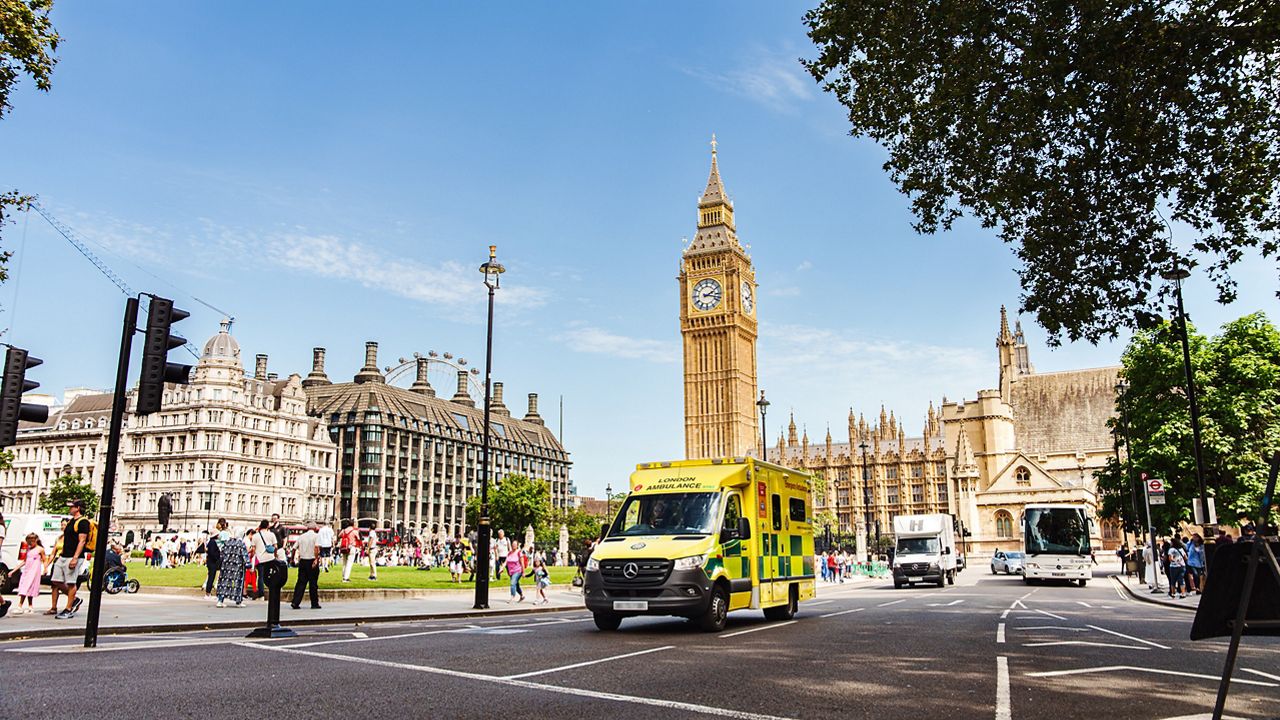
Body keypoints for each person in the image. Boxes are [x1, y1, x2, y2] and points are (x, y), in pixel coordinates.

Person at [52, 500, 91, 619]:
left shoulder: (83, 522)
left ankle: (68, 609)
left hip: (73, 556)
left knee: (71, 582)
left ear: (78, 508)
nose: (70, 509)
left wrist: (75, 558)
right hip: (64, 555)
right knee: (56, 580)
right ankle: (74, 599)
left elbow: (82, 541)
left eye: (72, 507)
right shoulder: (70, 521)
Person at [290, 521, 322, 610]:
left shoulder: (301, 536)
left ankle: (295, 602)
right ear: (315, 528)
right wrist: (316, 559)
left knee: (301, 582)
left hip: (303, 560)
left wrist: (292, 559)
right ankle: (314, 603)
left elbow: (294, 548)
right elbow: (316, 547)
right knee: (313, 583)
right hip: (311, 560)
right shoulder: (316, 536)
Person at [13, 533, 45, 615]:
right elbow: (24, 561)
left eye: (32, 541)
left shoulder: (40, 549)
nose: (30, 543)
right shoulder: (28, 549)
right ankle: (29, 606)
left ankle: (20, 606)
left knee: (28, 588)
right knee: (25, 587)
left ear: (36, 540)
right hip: (27, 571)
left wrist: (45, 569)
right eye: (29, 542)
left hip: (34, 572)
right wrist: (14, 570)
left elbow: (44, 560)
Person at [216, 529, 249, 608]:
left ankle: (220, 601)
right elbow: (244, 555)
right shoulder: (241, 544)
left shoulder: (227, 542)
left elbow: (222, 554)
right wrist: (248, 564)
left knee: (224, 583)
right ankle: (238, 602)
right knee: (238, 584)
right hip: (238, 566)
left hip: (226, 566)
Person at [204, 520, 226, 598]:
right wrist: (218, 557)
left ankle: (208, 592)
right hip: (212, 562)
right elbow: (212, 553)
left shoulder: (211, 542)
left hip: (211, 562)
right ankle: (207, 593)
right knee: (211, 578)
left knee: (211, 577)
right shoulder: (213, 542)